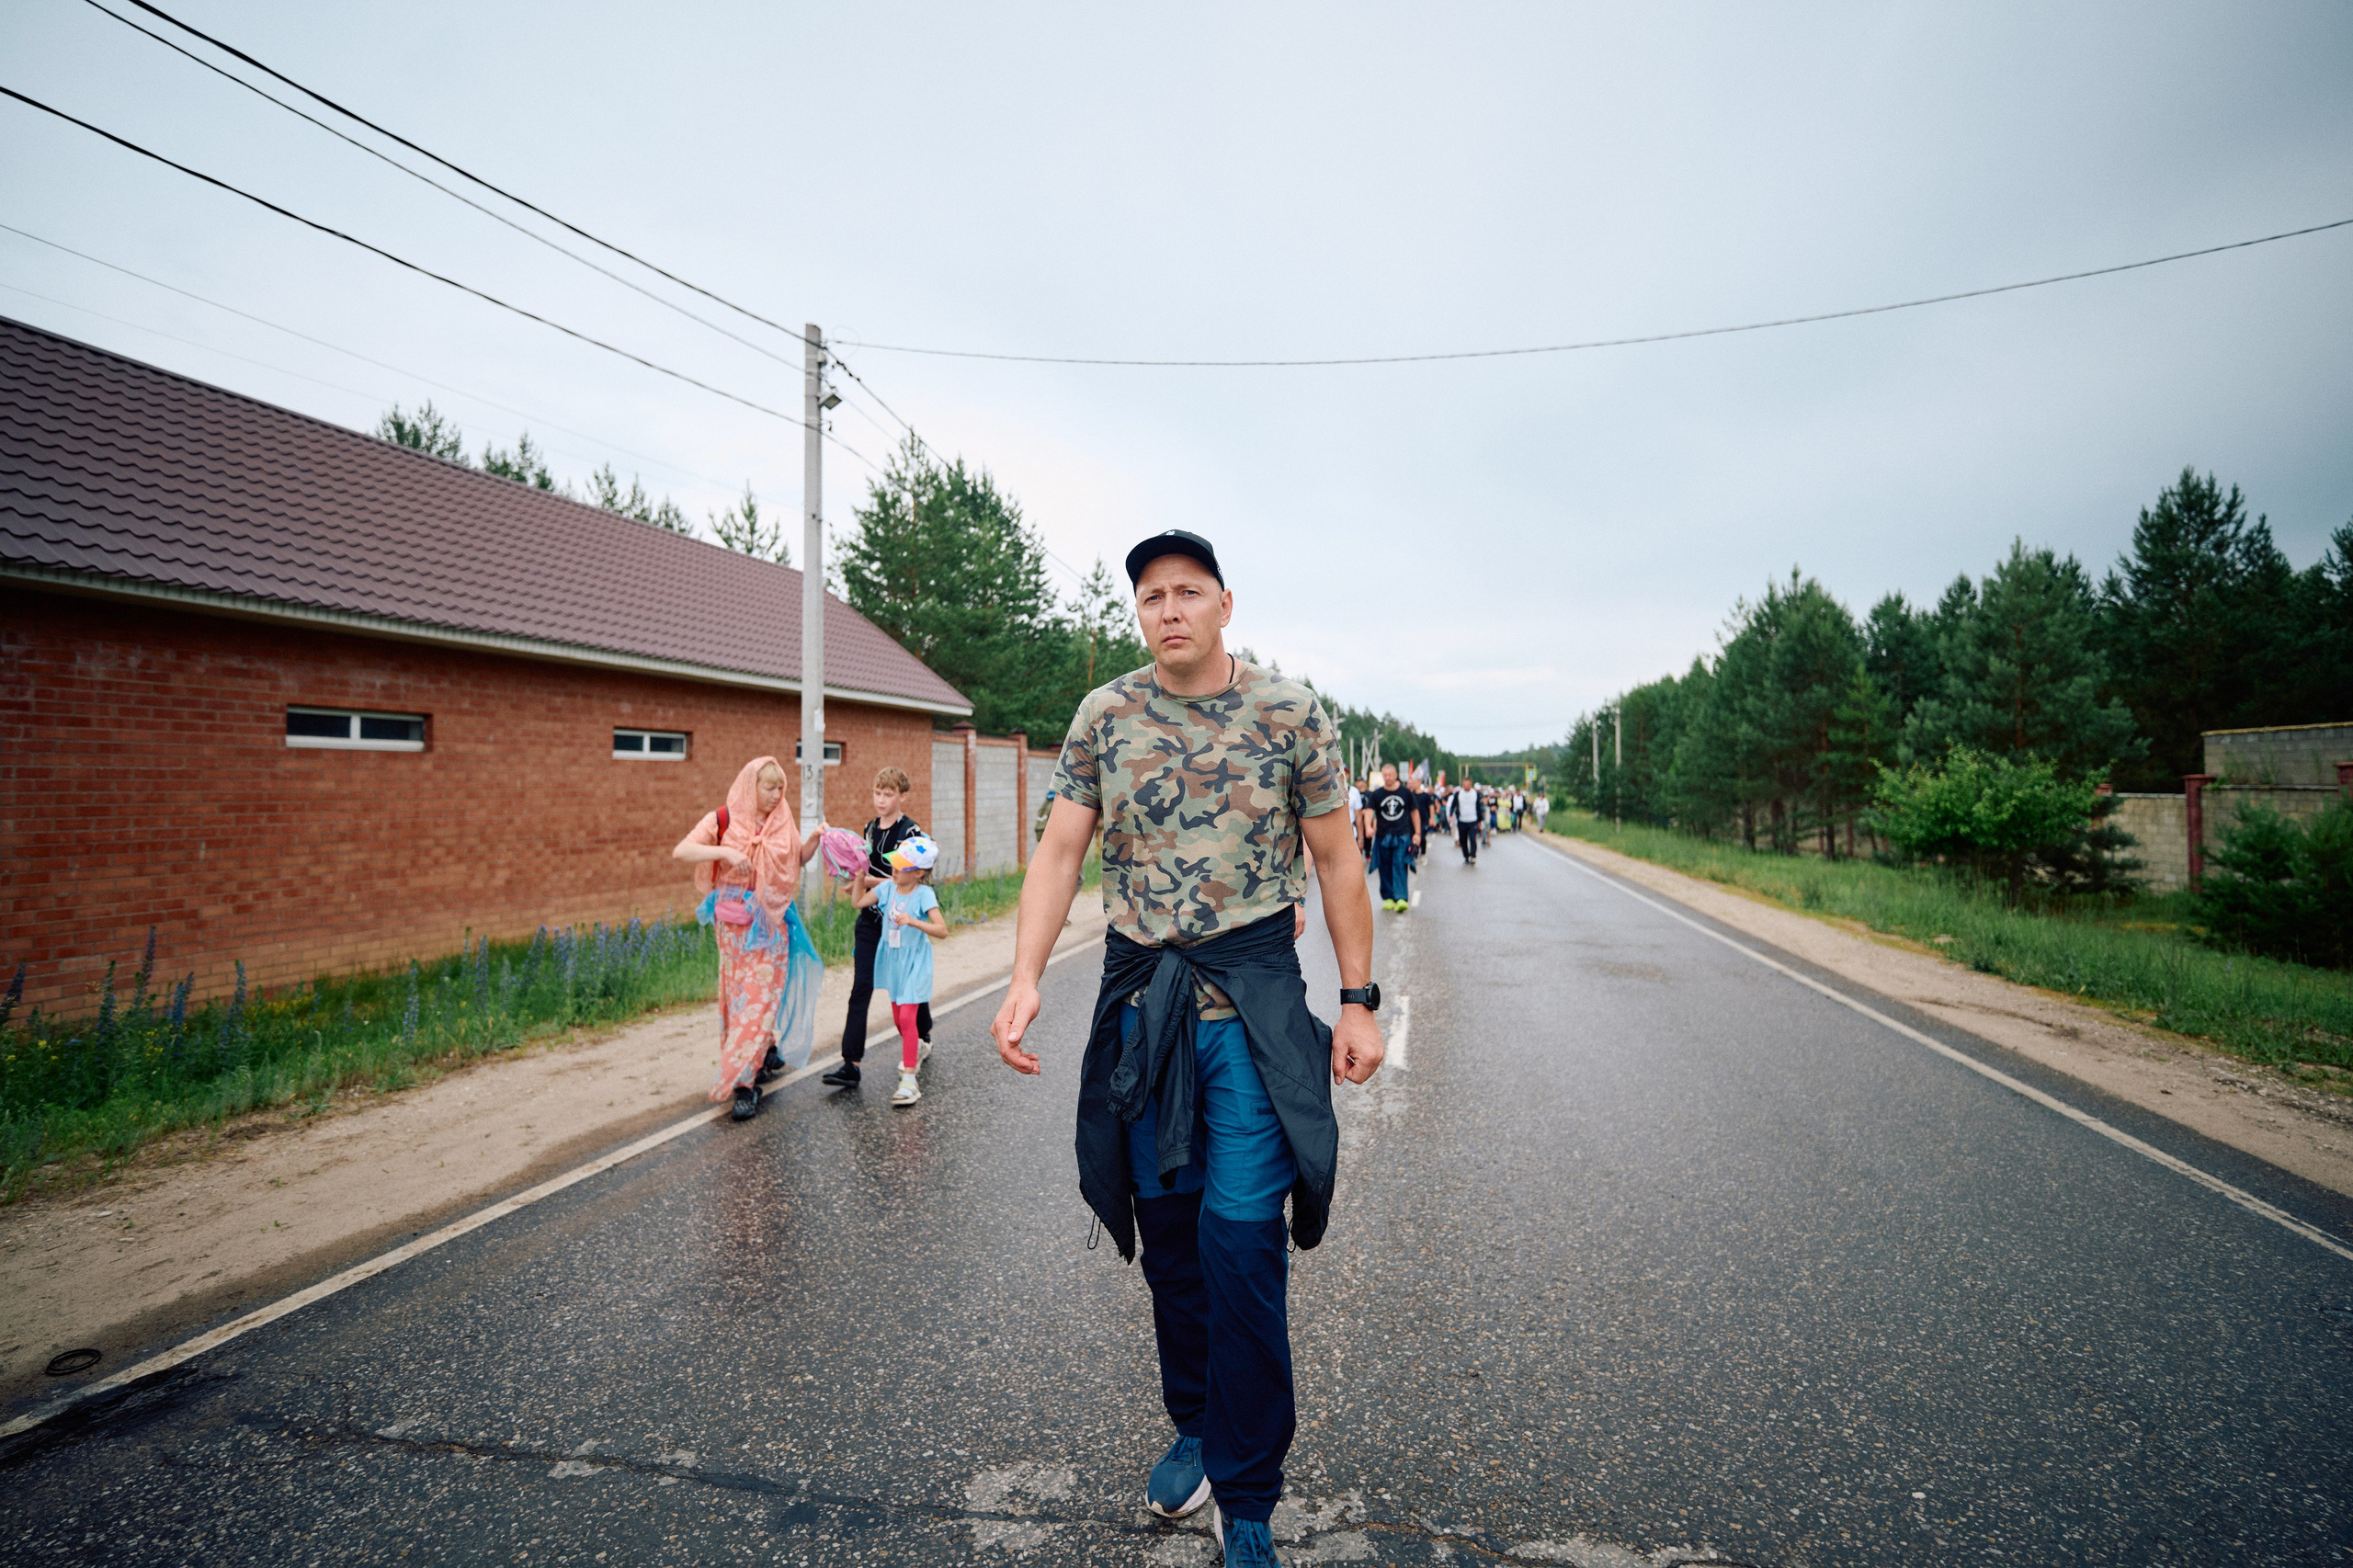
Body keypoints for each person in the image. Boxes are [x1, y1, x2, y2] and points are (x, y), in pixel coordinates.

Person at [991, 528, 1381, 1568]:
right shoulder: (1104, 714)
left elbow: (1337, 859)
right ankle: (1198, 1422)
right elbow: (1061, 849)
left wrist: (1357, 999)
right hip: (1140, 1000)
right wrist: (1025, 975)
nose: (1168, 609)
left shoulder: (1289, 709)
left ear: (1224, 603)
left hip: (1250, 1001)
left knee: (1241, 1237)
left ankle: (1247, 1489)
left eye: (1187, 592)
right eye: (1151, 596)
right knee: (1167, 1236)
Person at [672, 756, 824, 1120]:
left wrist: (816, 839)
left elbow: (796, 859)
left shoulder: (781, 820)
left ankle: (745, 1083)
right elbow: (682, 851)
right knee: (741, 998)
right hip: (734, 927)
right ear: (749, 787)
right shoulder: (723, 819)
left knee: (760, 996)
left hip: (772, 922)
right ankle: (756, 1054)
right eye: (769, 788)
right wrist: (724, 851)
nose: (776, 795)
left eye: (780, 788)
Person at [824, 767, 934, 1091]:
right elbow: (863, 870)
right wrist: (855, 885)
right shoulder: (869, 829)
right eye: (877, 793)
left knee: (907, 988)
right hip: (872, 922)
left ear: (902, 796)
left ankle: (922, 1034)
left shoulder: (912, 833)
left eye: (888, 794)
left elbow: (915, 878)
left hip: (902, 923)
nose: (881, 800)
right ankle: (851, 1064)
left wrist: (873, 882)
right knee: (862, 987)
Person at [853, 834, 949, 1108]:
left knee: (907, 1017)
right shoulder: (886, 890)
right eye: (893, 863)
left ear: (918, 872)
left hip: (915, 962)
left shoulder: (924, 894)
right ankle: (915, 1047)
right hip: (892, 960)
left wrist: (913, 922)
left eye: (901, 865)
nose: (894, 869)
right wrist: (860, 878)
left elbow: (942, 930)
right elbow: (858, 903)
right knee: (899, 1019)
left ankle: (909, 1082)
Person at [1360, 761, 1422, 912]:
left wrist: (1418, 833)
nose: (1387, 778)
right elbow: (1369, 810)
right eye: (1385, 775)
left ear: (1395, 775)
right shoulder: (1377, 794)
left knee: (1400, 864)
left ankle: (1401, 898)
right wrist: (1368, 826)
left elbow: (1414, 813)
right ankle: (1388, 897)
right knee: (1384, 866)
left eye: (1390, 775)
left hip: (1402, 835)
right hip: (1383, 836)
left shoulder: (1406, 793)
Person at [1453, 776, 1482, 864]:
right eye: (1465, 784)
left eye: (1468, 784)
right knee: (1463, 840)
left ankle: (1473, 855)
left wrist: (1480, 821)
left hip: (1472, 820)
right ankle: (1466, 856)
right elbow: (1453, 805)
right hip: (1462, 820)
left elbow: (1478, 808)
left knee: (1473, 839)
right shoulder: (1458, 794)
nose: (1467, 786)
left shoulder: (1475, 794)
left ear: (1471, 784)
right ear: (1463, 785)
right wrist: (1451, 815)